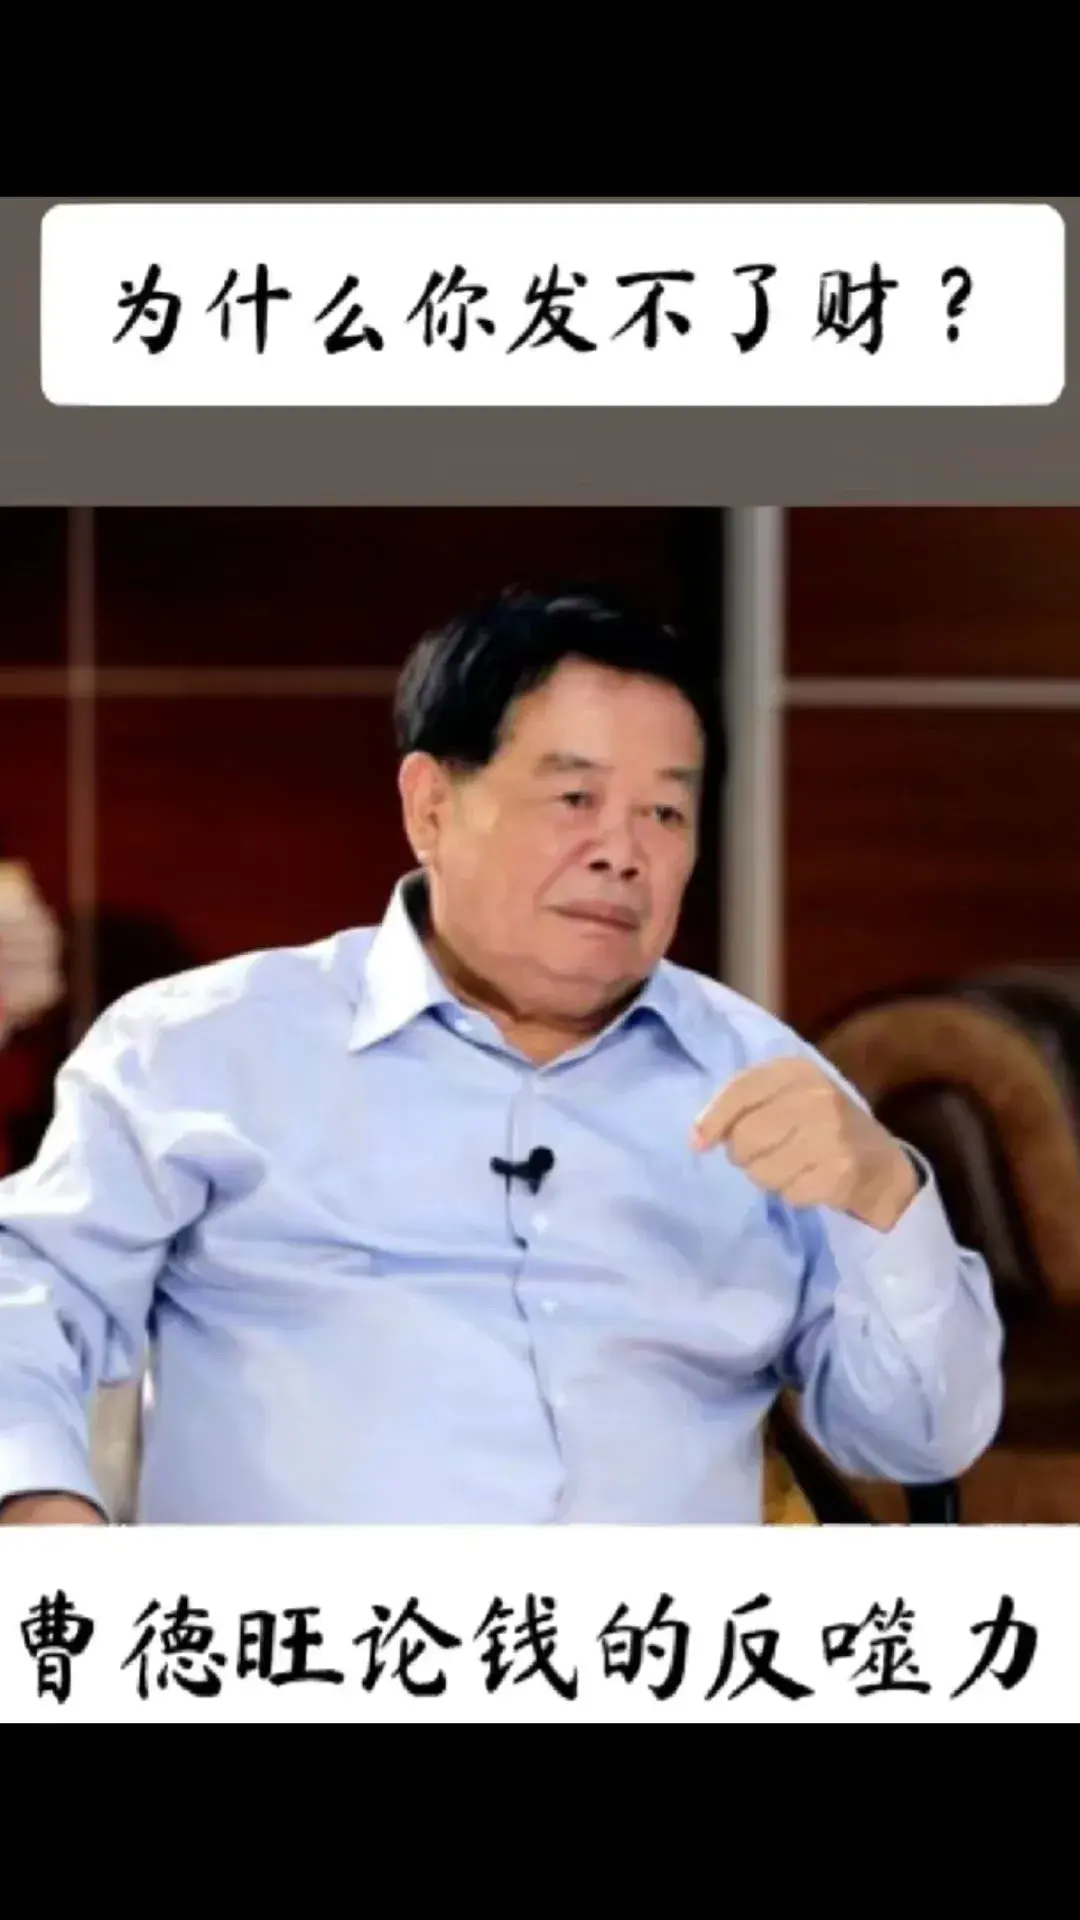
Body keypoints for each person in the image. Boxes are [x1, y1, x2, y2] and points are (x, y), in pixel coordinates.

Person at [0, 587, 1004, 1525]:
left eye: (664, 812)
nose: (622, 852)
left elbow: (918, 1441)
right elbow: (27, 1293)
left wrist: (886, 1198)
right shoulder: (203, 1050)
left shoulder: (764, 1080)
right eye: (574, 799)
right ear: (430, 806)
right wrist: (38, 1507)